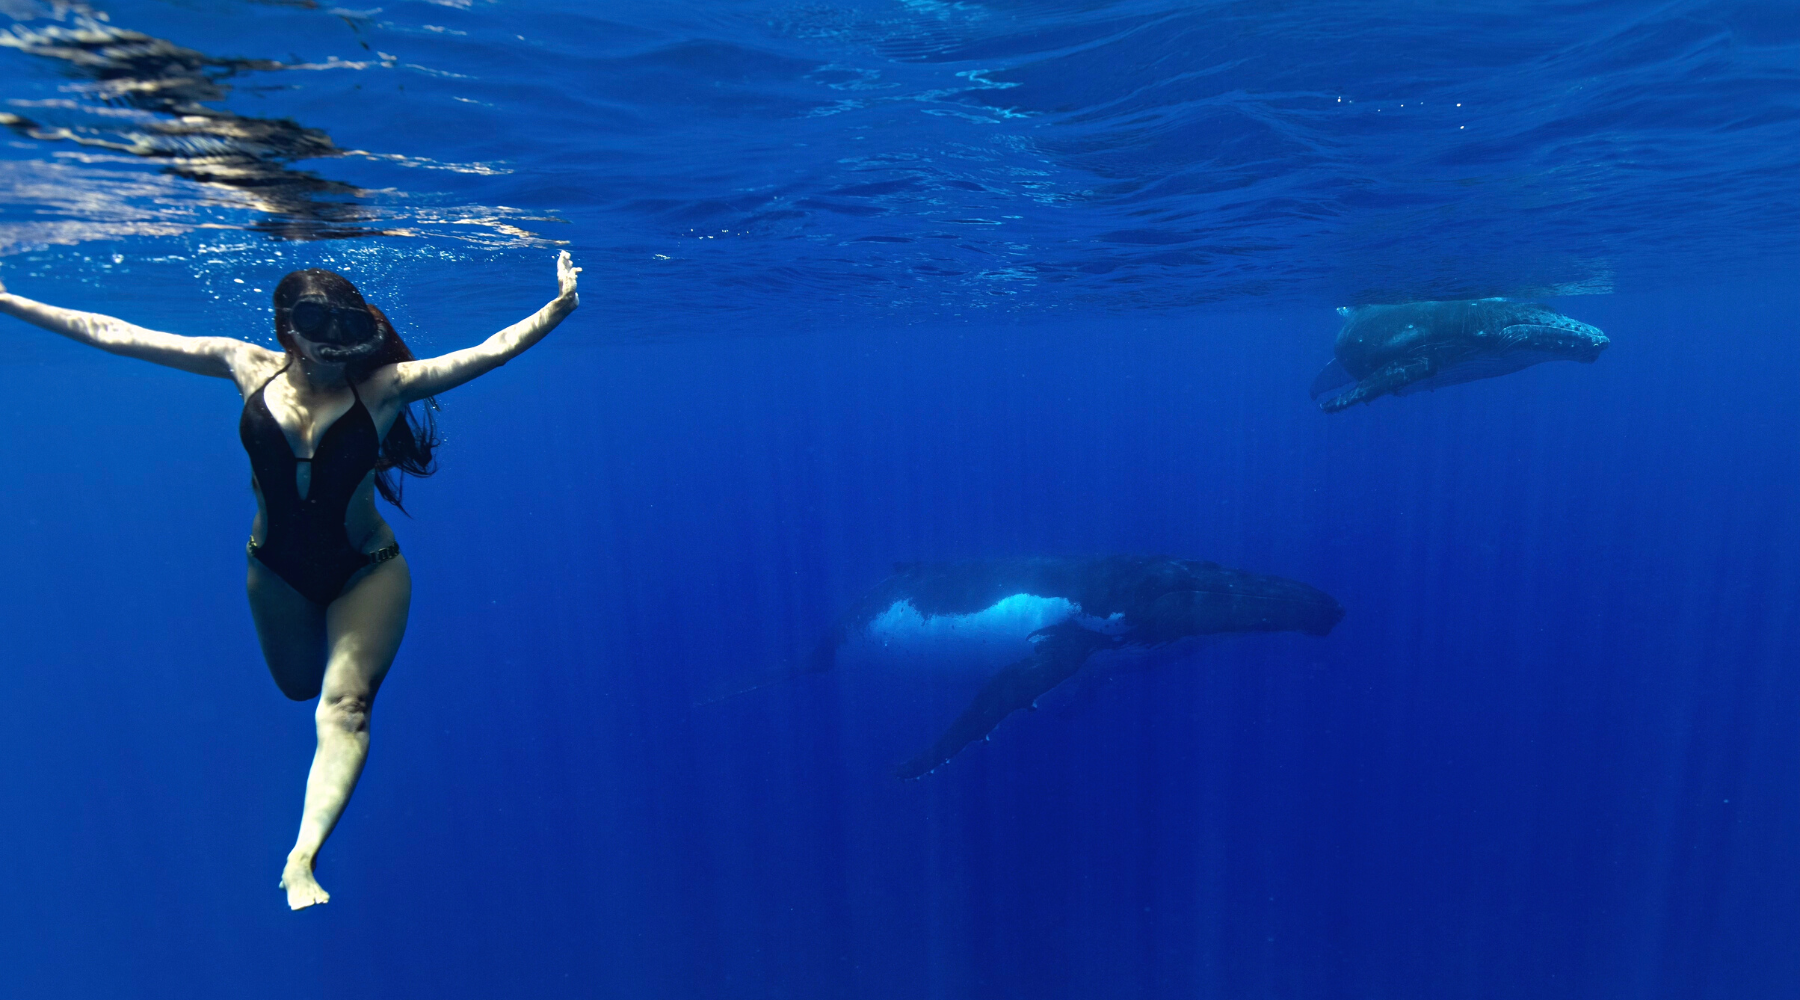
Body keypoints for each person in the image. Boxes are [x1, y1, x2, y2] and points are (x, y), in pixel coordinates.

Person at [0, 250, 581, 909]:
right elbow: (114, 333)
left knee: (345, 705)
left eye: (346, 344)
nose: (334, 359)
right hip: (275, 573)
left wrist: (557, 309)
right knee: (299, 688)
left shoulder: (383, 387)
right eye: (320, 345)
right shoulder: (243, 364)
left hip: (370, 571)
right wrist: (7, 299)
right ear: (287, 333)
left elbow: (489, 352)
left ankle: (302, 856)